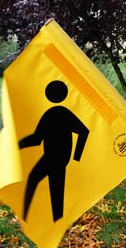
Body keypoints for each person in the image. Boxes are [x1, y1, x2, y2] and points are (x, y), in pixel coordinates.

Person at [19, 80, 89, 222]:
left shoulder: (53, 114)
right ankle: (53, 220)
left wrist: (18, 144)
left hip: (54, 158)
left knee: (36, 180)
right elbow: (38, 139)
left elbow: (36, 139)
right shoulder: (61, 113)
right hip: (58, 158)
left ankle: (26, 215)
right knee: (54, 190)